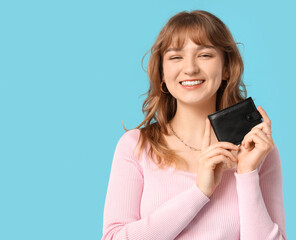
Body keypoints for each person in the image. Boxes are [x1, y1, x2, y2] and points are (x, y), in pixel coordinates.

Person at [101, 10, 287, 240]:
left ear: (227, 68)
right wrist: (199, 192)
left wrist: (247, 173)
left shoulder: (257, 151)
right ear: (161, 72)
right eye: (175, 57)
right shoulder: (136, 147)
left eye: (205, 55)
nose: (190, 68)